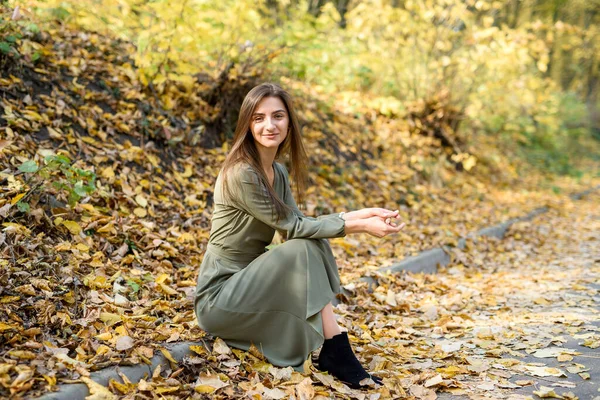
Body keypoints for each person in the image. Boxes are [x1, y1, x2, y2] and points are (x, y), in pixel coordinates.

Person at [194, 82, 405, 389]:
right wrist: (358, 226)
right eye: (259, 118)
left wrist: (361, 214)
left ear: (289, 121)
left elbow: (297, 223)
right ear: (247, 125)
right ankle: (335, 350)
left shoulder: (276, 172)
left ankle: (334, 347)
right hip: (219, 297)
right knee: (302, 246)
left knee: (307, 243)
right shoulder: (241, 173)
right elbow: (293, 228)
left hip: (250, 283)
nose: (270, 125)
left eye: (278, 116)